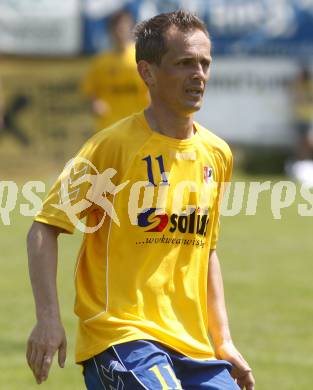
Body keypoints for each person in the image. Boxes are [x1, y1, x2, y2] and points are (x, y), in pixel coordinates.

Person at [26, 10, 255, 390]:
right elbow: (43, 229)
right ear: (147, 72)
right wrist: (49, 318)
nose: (198, 74)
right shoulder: (109, 147)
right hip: (120, 339)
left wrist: (224, 340)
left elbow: (206, 251)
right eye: (184, 63)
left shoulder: (217, 153)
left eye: (204, 63)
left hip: (194, 347)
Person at [82, 9, 149, 131]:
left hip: (137, 126)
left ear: (131, 29)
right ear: (110, 30)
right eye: (117, 27)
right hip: (109, 127)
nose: (120, 31)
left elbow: (154, 89)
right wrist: (95, 103)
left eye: (124, 26)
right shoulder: (101, 62)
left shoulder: (142, 58)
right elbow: (91, 90)